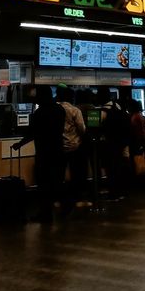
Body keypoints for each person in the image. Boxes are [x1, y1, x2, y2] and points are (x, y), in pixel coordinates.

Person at [12, 85, 65, 222]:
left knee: (44, 185)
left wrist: (19, 145)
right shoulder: (60, 110)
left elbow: (32, 133)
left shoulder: (40, 113)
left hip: (44, 153)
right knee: (56, 183)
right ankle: (61, 211)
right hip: (59, 151)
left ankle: (45, 214)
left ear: (41, 96)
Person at [55, 84, 89, 209]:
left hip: (59, 147)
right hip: (75, 146)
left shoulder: (55, 109)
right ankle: (77, 198)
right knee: (77, 174)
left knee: (59, 174)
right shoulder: (75, 110)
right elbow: (82, 129)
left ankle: (59, 199)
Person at [97, 88, 129, 201]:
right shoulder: (117, 106)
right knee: (119, 168)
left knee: (110, 169)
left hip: (109, 144)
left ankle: (113, 193)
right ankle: (121, 192)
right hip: (121, 142)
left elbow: (95, 127)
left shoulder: (103, 111)